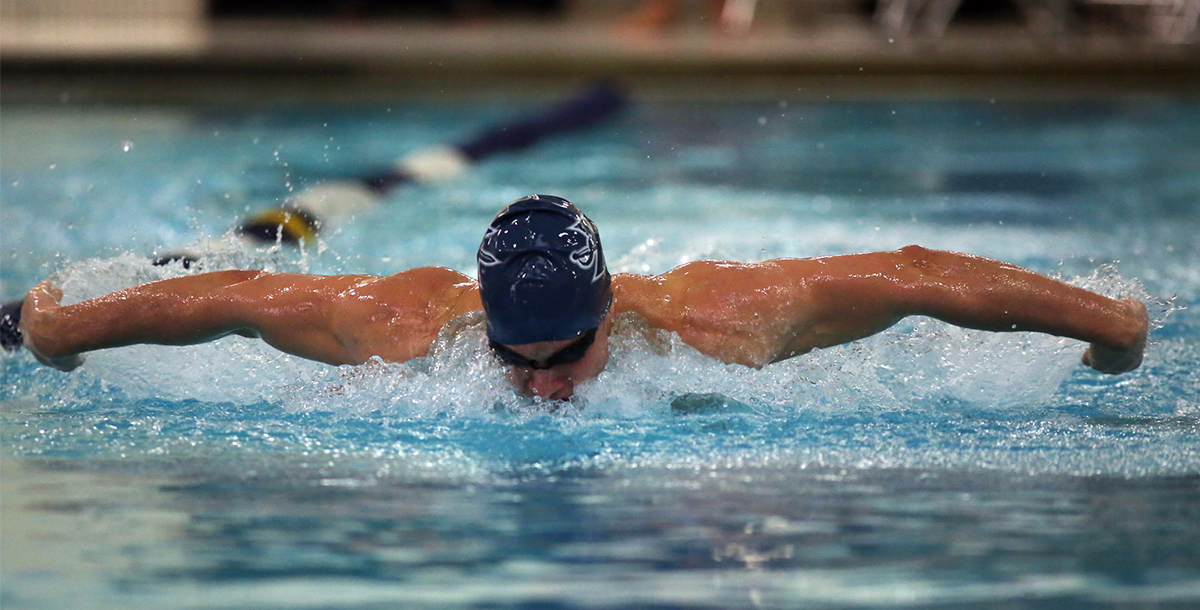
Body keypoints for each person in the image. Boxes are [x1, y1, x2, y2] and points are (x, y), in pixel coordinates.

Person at [18, 195, 1148, 401]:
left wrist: (1109, 327)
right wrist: (60, 326)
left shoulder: (724, 320)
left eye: (570, 352)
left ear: (613, 314)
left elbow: (913, 278)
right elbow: (234, 296)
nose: (547, 384)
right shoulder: (407, 327)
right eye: (522, 362)